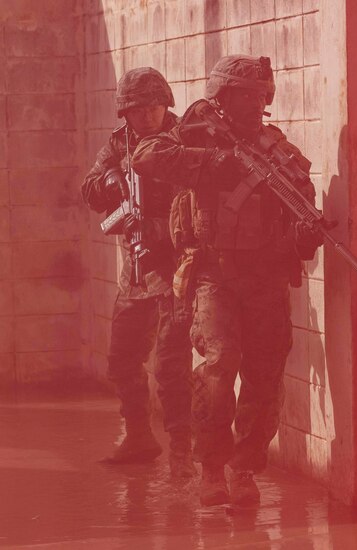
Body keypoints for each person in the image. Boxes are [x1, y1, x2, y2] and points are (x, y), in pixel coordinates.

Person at [131, 55, 322, 507]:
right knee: (219, 369)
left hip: (266, 278)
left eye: (261, 96)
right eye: (246, 95)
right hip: (214, 275)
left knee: (265, 375)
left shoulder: (279, 151)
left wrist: (305, 236)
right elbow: (145, 156)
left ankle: (244, 470)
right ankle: (211, 469)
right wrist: (216, 164)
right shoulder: (197, 133)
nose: (256, 104)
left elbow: (301, 209)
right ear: (223, 97)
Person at [80, 67, 195, 479]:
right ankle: (139, 437)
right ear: (125, 113)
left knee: (171, 365)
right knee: (122, 360)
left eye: (154, 106)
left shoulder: (187, 139)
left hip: (177, 269)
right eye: (137, 109)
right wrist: (112, 181)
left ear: (166, 104)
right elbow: (89, 189)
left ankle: (183, 449)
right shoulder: (118, 143)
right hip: (136, 271)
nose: (147, 116)